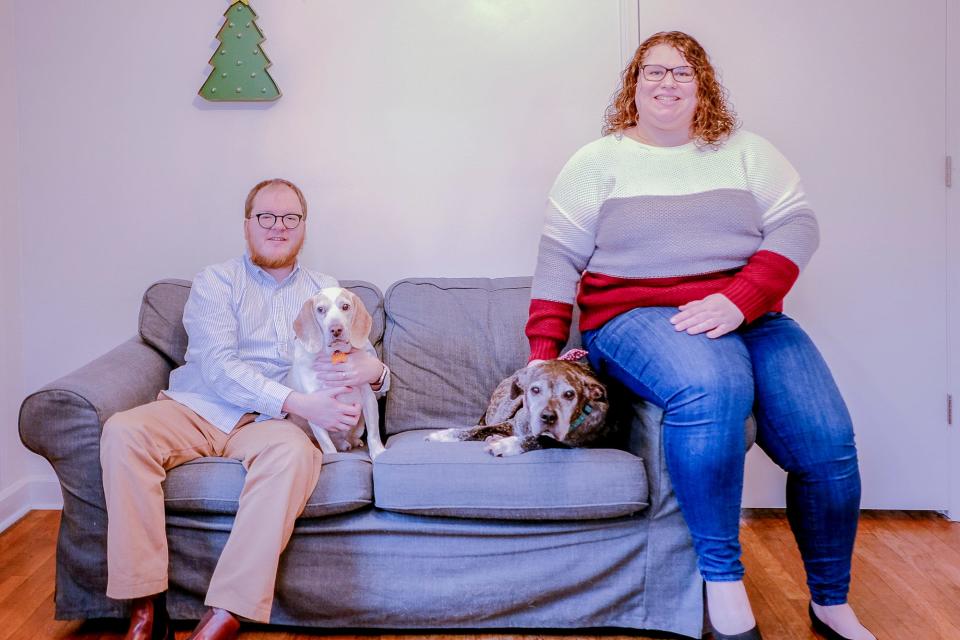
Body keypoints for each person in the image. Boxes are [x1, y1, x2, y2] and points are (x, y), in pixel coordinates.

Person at [525, 31, 874, 640]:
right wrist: (543, 360)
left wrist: (739, 302)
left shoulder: (747, 152)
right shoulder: (597, 162)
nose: (667, 83)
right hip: (632, 317)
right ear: (634, 84)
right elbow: (558, 261)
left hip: (747, 314)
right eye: (653, 71)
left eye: (682, 72)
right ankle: (723, 580)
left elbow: (797, 226)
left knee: (828, 439)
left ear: (703, 84)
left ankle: (829, 601)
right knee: (711, 382)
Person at [100, 178, 389, 640]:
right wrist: (299, 401)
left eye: (290, 218)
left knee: (295, 456)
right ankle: (145, 607)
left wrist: (375, 371)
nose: (278, 227)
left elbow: (352, 359)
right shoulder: (215, 280)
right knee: (123, 431)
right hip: (200, 407)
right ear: (247, 225)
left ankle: (224, 617)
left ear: (303, 228)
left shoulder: (324, 290)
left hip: (272, 424)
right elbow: (217, 365)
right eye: (267, 217)